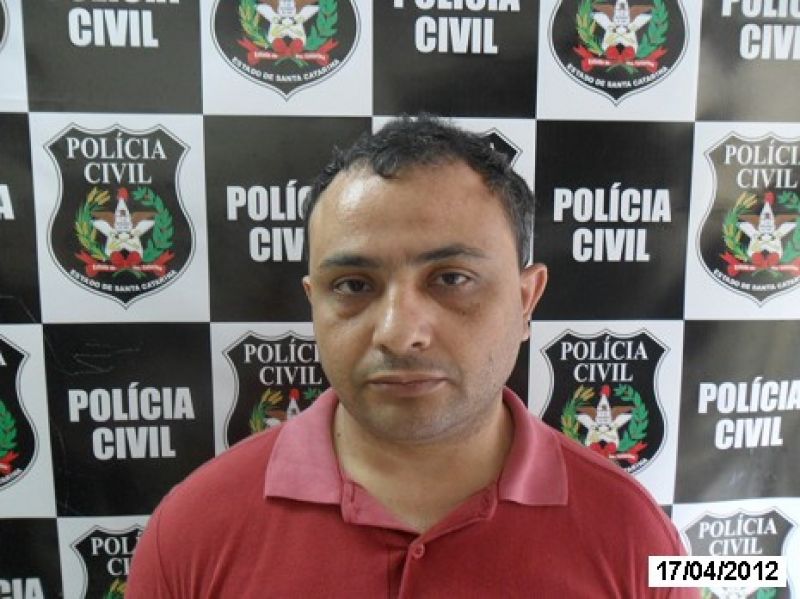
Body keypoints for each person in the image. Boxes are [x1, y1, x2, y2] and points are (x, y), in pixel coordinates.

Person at [127, 116, 697, 598]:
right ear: (314, 302)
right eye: (353, 286)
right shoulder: (187, 531)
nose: (399, 335)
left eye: (451, 278)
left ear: (526, 301)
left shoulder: (643, 540)